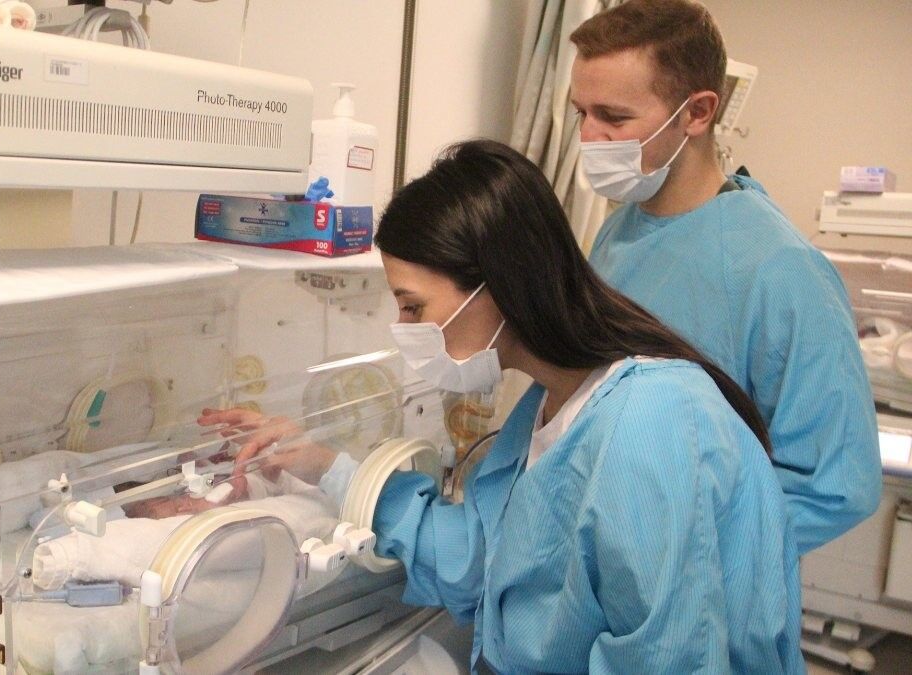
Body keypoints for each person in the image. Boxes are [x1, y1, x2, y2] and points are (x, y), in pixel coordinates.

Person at [205, 140, 803, 672]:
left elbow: (671, 658)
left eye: (413, 307)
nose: (403, 328)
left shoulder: (652, 422)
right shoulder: (549, 407)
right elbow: (481, 561)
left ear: (499, 284)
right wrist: (324, 467)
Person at [570, 0, 880, 554]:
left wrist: (680, 551)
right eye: (581, 114)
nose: (589, 138)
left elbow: (834, 487)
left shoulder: (780, 271)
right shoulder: (619, 231)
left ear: (697, 112)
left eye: (613, 118)